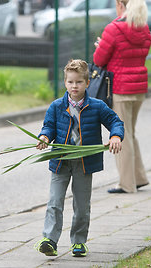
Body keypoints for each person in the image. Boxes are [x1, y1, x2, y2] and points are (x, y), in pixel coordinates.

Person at [34, 59, 124, 257]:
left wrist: (115, 136)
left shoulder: (98, 106)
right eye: (70, 82)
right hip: (61, 161)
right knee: (55, 201)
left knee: (82, 206)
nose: (75, 86)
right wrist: (44, 137)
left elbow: (115, 121)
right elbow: (48, 126)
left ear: (87, 83)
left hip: (85, 162)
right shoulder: (57, 106)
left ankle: (79, 242)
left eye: (79, 82)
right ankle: (49, 239)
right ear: (65, 83)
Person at [93, 0, 151, 194]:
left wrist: (100, 46)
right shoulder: (144, 28)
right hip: (139, 88)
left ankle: (127, 184)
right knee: (130, 133)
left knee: (121, 136)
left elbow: (99, 60)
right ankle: (139, 177)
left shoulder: (113, 28)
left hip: (120, 88)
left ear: (120, 4)